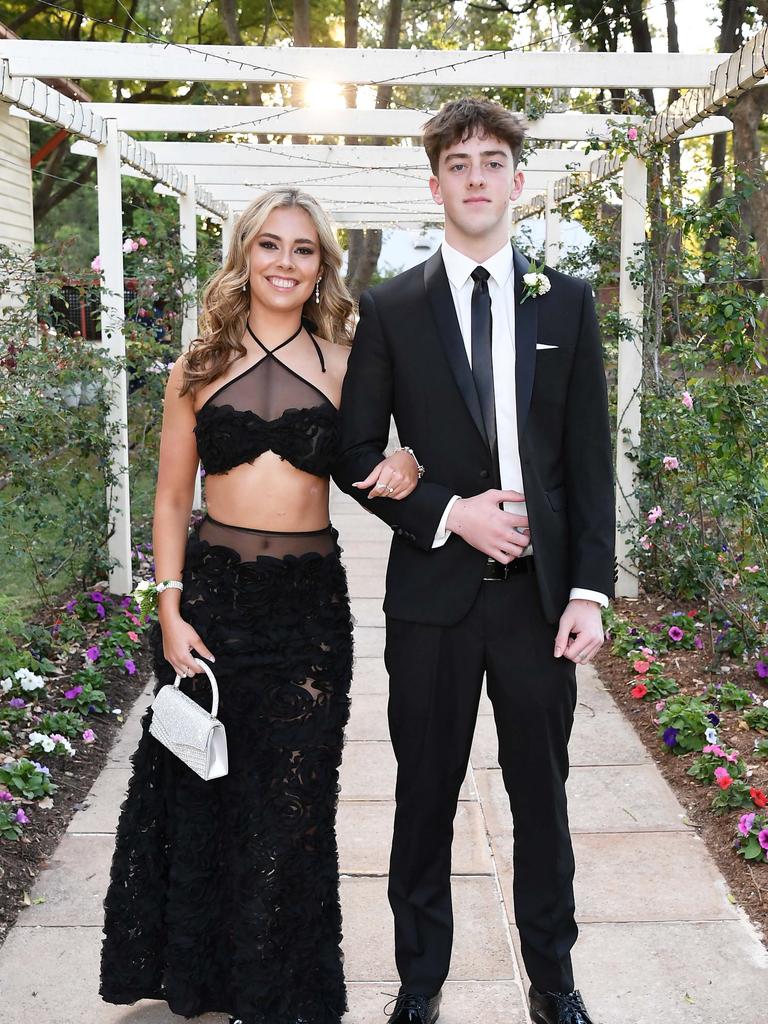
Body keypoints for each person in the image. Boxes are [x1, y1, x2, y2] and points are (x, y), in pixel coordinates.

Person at [99, 187, 419, 1024]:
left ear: (322, 268)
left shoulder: (347, 364)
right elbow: (172, 500)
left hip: (309, 611)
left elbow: (384, 461)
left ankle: (281, 991)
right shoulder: (197, 365)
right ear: (245, 254)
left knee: (294, 799)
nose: (285, 262)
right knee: (203, 789)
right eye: (270, 245)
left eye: (303, 249)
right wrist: (168, 611)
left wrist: (410, 463)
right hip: (212, 600)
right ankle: (207, 980)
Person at [335, 99, 615, 1024]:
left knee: (543, 800)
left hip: (538, 605)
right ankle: (420, 983)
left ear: (517, 182)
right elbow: (354, 450)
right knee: (423, 797)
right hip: (431, 601)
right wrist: (450, 513)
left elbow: (586, 460)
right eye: (459, 164)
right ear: (436, 184)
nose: (478, 177)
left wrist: (588, 590)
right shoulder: (391, 308)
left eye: (494, 161)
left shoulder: (566, 302)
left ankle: (554, 982)